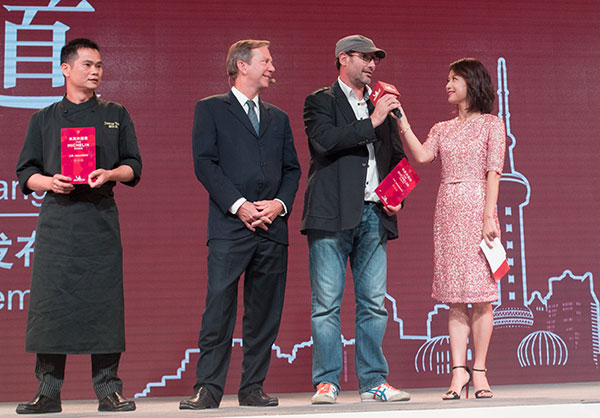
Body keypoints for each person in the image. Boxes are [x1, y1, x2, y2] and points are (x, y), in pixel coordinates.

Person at [15, 38, 142, 414]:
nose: (96, 72)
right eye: (87, 65)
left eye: (99, 65)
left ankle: (108, 391)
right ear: (65, 69)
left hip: (99, 219)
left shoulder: (116, 113)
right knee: (51, 306)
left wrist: (109, 173)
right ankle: (48, 392)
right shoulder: (44, 118)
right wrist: (50, 181)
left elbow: (133, 166)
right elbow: (26, 172)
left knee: (104, 306)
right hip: (58, 221)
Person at [179, 39, 301, 410]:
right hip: (231, 227)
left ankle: (252, 388)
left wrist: (278, 205)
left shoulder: (279, 117)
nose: (272, 68)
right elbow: (205, 163)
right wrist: (239, 206)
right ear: (241, 66)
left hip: (271, 228)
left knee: (264, 313)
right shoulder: (211, 109)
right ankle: (208, 389)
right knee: (219, 308)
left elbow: (293, 169)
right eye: (265, 61)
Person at [301, 34, 410, 404]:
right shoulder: (320, 101)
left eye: (374, 59)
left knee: (374, 302)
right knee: (326, 304)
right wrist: (373, 119)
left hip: (374, 214)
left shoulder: (382, 104)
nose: (372, 65)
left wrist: (397, 198)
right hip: (331, 215)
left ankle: (373, 382)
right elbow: (325, 142)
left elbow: (394, 157)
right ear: (343, 59)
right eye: (364, 57)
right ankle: (327, 381)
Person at [395, 58, 505, 400]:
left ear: (471, 84)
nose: (448, 84)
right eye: (447, 78)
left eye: (454, 79)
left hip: (478, 208)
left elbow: (493, 171)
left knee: (482, 297)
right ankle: (458, 374)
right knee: (455, 298)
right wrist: (403, 123)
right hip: (448, 211)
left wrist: (489, 214)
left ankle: (480, 372)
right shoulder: (442, 128)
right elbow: (424, 157)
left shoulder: (492, 124)